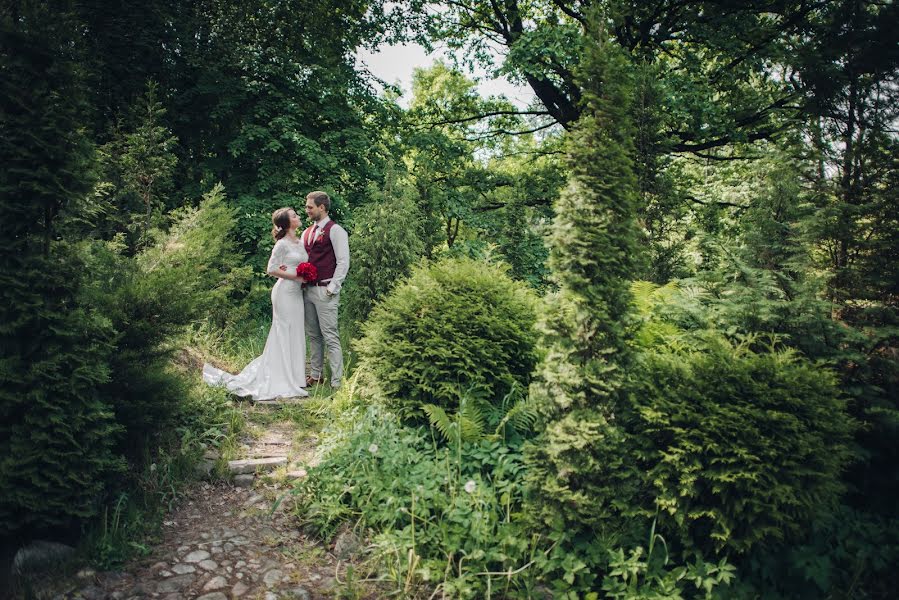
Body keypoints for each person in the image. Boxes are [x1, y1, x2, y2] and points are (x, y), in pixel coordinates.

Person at [202, 208, 310, 400]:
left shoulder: (300, 242)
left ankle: (295, 377)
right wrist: (295, 276)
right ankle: (281, 377)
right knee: (283, 331)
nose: (298, 217)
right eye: (294, 216)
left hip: (297, 294)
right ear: (286, 223)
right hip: (284, 292)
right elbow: (271, 269)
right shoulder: (282, 244)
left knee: (296, 331)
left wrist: (304, 275)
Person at [301, 191, 349, 389]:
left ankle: (337, 382)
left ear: (322, 207)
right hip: (308, 290)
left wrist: (332, 288)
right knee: (313, 335)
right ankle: (316, 374)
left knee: (330, 336)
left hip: (325, 290)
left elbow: (343, 261)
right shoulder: (307, 231)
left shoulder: (336, 231)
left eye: (310, 207)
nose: (307, 210)